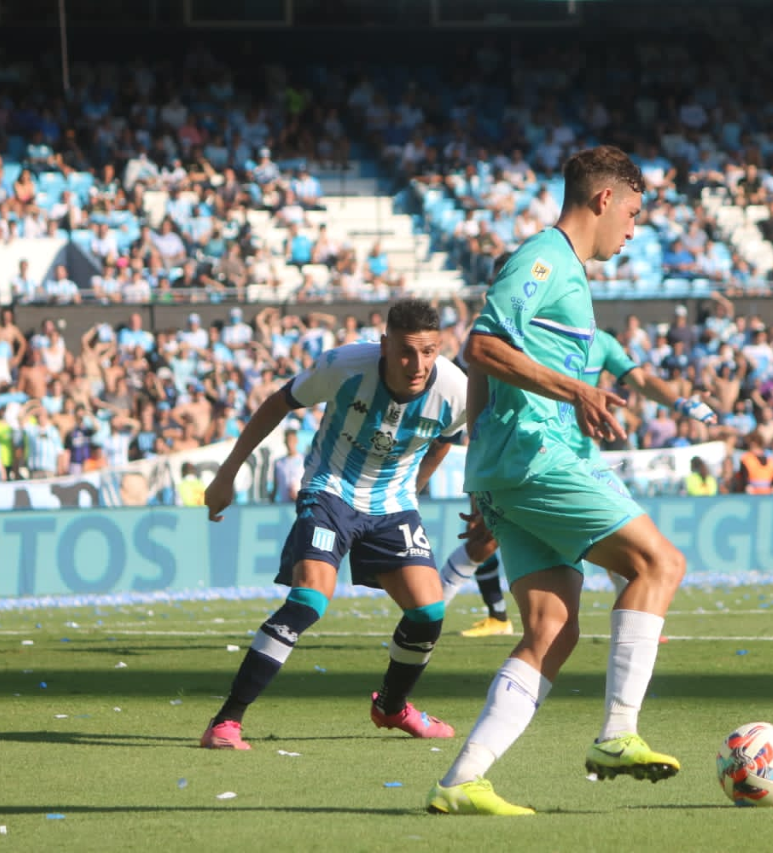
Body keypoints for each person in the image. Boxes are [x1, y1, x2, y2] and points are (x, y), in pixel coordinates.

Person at [427, 146, 687, 816]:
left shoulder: (565, 274)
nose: (634, 230)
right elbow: (480, 347)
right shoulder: (543, 259)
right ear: (603, 200)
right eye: (632, 213)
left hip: (512, 468)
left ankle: (462, 780)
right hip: (539, 458)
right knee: (659, 562)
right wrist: (575, 391)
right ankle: (618, 732)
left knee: (551, 627)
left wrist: (483, 481)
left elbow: (490, 365)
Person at [199, 298, 468, 750]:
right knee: (308, 601)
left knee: (428, 613)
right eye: (405, 351)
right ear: (384, 345)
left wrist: (413, 490)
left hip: (393, 504)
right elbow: (276, 404)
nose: (417, 364)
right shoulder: (343, 366)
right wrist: (228, 473)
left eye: (428, 352)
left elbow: (445, 439)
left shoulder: (457, 390)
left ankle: (392, 707)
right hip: (331, 489)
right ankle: (226, 722)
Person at [440, 324, 717, 636]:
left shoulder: (602, 342)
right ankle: (429, 614)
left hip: (585, 459)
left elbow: (641, 380)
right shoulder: (516, 335)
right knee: (482, 543)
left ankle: (638, 625)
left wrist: (680, 402)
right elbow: (480, 385)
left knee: (631, 542)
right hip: (534, 457)